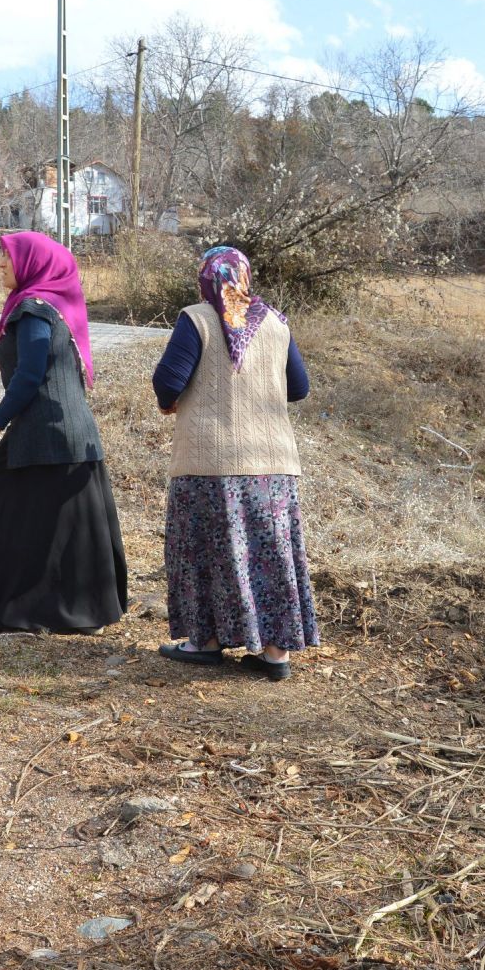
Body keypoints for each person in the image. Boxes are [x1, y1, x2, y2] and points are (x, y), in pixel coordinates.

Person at [152, 246, 319, 680]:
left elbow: (168, 381)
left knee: (204, 553)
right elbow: (299, 388)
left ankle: (205, 643)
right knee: (271, 557)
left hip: (210, 462)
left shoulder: (198, 318)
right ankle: (275, 654)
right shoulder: (276, 322)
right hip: (274, 467)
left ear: (207, 279)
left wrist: (172, 401)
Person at [0, 231, 127, 633]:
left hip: (47, 432)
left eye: (7, 257)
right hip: (68, 430)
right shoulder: (52, 306)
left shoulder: (34, 310)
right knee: (60, 523)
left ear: (32, 263)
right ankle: (77, 612)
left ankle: (29, 610)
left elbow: (30, 373)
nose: (0, 263)